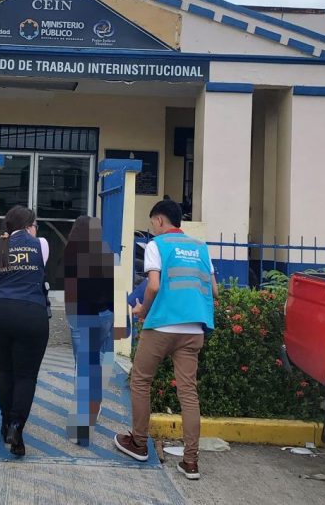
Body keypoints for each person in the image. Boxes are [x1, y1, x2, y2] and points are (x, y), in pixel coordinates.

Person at [114, 200, 219, 480]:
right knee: (188, 392)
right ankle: (191, 462)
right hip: (194, 329)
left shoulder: (157, 245)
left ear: (160, 220)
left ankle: (138, 443)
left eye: (152, 224)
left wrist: (142, 311)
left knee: (141, 380)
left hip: (162, 325)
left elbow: (153, 285)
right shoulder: (201, 247)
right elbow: (215, 290)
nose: (152, 229)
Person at [0, 205, 50, 457]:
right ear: (29, 226)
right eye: (35, 225)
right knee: (26, 376)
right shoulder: (41, 245)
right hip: (31, 313)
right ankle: (16, 428)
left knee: (5, 370)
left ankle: (6, 422)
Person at [63, 216, 117, 446]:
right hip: (104, 314)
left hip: (81, 316)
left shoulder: (70, 254)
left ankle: (82, 426)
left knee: (84, 367)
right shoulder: (105, 253)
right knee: (95, 362)